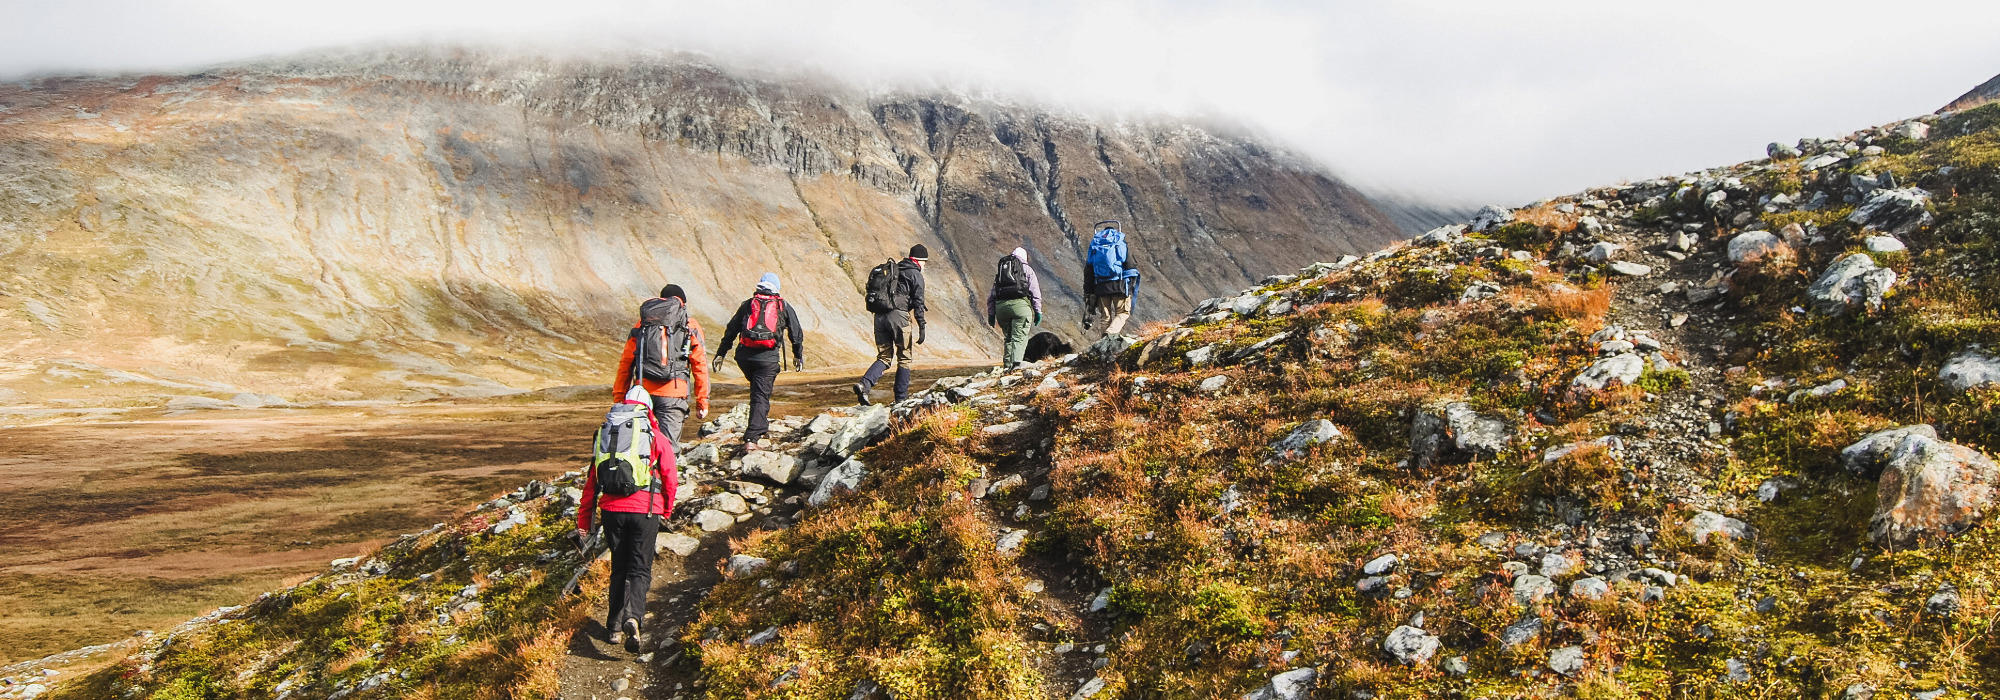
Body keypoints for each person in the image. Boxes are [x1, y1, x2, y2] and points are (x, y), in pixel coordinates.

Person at [576, 388, 678, 648]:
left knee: (619, 569)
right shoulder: (654, 435)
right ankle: (633, 618)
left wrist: (583, 521)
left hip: (611, 511)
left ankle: (613, 627)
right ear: (648, 408)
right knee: (640, 569)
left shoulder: (604, 435)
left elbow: (591, 482)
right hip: (646, 510)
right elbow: (670, 476)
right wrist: (665, 510)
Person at [612, 285, 710, 449]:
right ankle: (662, 475)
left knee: (638, 446)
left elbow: (626, 363)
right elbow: (700, 365)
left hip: (642, 393)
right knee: (668, 449)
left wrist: (620, 398)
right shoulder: (689, 324)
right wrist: (702, 402)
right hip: (673, 394)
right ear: (682, 304)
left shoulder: (642, 325)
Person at [715, 273, 805, 450]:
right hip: (767, 359)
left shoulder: (748, 304)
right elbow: (796, 333)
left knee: (758, 391)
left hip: (744, 357)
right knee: (760, 395)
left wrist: (721, 353)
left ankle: (761, 426)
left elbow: (731, 329)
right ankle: (752, 438)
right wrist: (797, 355)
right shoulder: (783, 305)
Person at [854, 244, 928, 405]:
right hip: (899, 317)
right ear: (918, 261)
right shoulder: (915, 275)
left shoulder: (894, 270)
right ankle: (901, 398)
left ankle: (864, 385)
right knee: (904, 358)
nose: (925, 266)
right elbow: (919, 302)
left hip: (879, 316)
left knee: (885, 357)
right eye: (924, 262)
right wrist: (922, 326)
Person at [986, 246, 1043, 369]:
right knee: (1019, 337)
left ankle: (1007, 367)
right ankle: (1016, 367)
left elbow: (991, 296)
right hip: (1020, 308)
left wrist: (991, 314)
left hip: (1001, 309)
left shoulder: (1002, 271)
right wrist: (1038, 311)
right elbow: (1035, 292)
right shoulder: (1027, 270)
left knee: (1009, 338)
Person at [1084, 220, 1139, 337]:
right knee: (1123, 312)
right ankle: (1111, 333)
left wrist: (1088, 292)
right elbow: (1130, 266)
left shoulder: (1095, 245)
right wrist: (1130, 287)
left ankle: (1103, 341)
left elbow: (1088, 271)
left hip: (1101, 286)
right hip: (1119, 284)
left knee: (1105, 317)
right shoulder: (1120, 243)